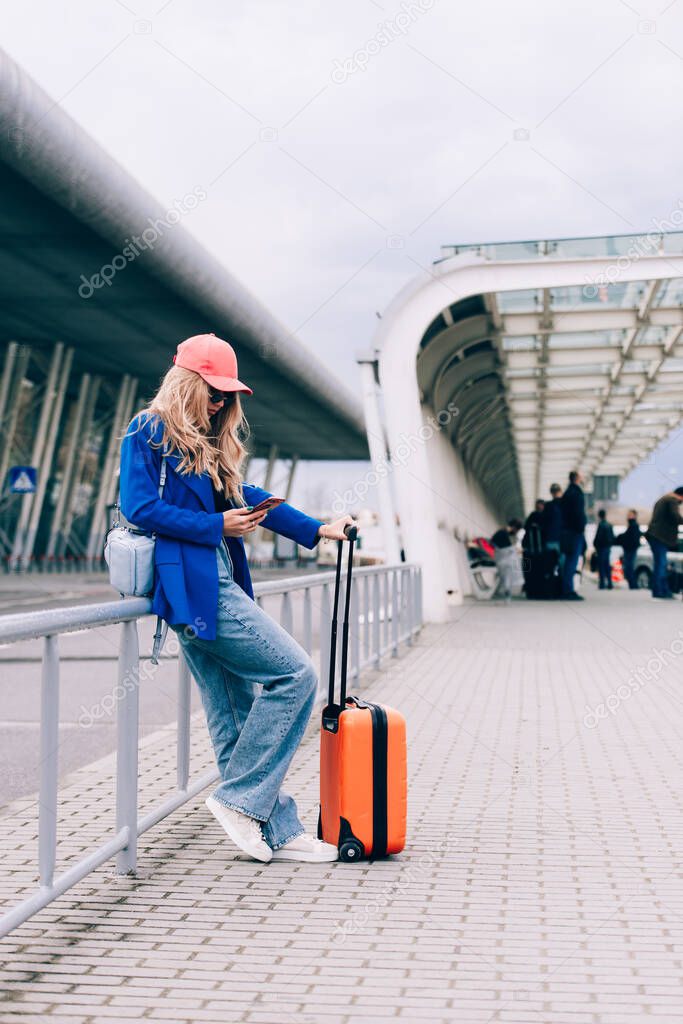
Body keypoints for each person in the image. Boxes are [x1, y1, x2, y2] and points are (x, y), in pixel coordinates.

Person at [119, 333, 355, 864]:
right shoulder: (147, 430)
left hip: (215, 575)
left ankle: (276, 829)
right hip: (191, 583)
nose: (222, 402)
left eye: (228, 395)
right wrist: (214, 524)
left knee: (235, 713)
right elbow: (137, 507)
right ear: (188, 382)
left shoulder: (209, 442)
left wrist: (317, 529)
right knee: (296, 675)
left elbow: (246, 497)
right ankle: (238, 800)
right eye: (214, 391)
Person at [645, 487, 683, 599]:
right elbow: (675, 516)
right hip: (660, 537)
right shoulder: (672, 500)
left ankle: (662, 590)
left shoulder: (664, 499)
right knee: (661, 564)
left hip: (655, 536)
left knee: (660, 564)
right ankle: (660, 591)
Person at [560, 470, 587, 600]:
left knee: (568, 561)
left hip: (567, 531)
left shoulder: (567, 493)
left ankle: (567, 588)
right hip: (575, 532)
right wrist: (581, 528)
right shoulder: (576, 493)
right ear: (576, 478)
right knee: (572, 561)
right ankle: (568, 590)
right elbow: (578, 514)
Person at [491, 518, 523, 602]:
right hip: (501, 560)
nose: (516, 532)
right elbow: (506, 549)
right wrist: (515, 550)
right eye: (517, 530)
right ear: (515, 528)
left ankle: (507, 589)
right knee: (511, 566)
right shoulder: (503, 533)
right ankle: (507, 590)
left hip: (501, 558)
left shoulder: (502, 532)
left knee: (512, 565)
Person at [617, 510, 641, 590]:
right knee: (629, 567)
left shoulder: (634, 525)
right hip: (629, 549)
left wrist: (622, 539)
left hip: (630, 550)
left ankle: (633, 584)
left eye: (630, 515)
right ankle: (632, 584)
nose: (628, 516)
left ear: (634, 516)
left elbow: (632, 539)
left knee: (629, 567)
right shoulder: (632, 525)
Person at [593, 509, 615, 590]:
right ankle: (609, 583)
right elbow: (613, 537)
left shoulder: (601, 525)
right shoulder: (609, 525)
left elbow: (598, 537)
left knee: (601, 566)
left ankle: (602, 583)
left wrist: (595, 545)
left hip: (601, 548)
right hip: (607, 547)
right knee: (607, 565)